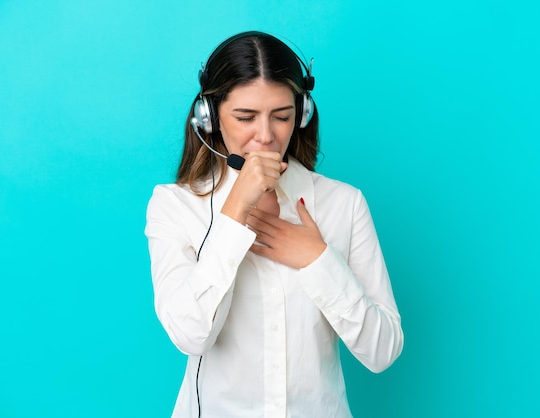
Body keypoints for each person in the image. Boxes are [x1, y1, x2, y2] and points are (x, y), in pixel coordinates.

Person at [145, 31, 404, 418]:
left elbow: (382, 351)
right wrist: (234, 211)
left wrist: (318, 259)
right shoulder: (175, 206)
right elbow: (191, 335)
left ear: (301, 115)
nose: (266, 137)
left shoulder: (343, 204)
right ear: (210, 118)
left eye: (282, 116)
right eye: (245, 117)